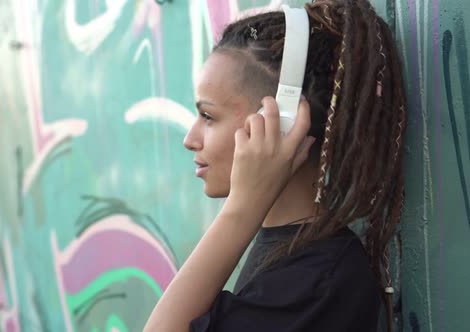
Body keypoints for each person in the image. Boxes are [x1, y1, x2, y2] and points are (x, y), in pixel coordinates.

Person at [144, 0, 406, 331]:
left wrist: (241, 208)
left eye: (208, 116)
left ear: (285, 122)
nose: (190, 138)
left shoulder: (317, 282)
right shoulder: (295, 254)